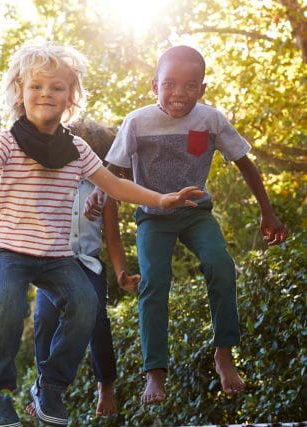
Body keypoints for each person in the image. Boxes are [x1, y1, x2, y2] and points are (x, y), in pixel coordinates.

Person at [0, 42, 203, 427]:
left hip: (57, 255)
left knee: (86, 305)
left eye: (56, 87)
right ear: (20, 94)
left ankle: (51, 386)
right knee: (7, 305)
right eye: (36, 87)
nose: (46, 94)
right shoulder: (8, 141)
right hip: (11, 249)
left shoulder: (77, 149)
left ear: (70, 97)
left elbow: (114, 185)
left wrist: (162, 197)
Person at [86, 45, 287, 405]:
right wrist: (97, 196)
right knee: (154, 283)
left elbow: (245, 163)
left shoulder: (210, 120)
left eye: (190, 85)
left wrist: (267, 212)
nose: (179, 93)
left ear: (203, 89)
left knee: (220, 265)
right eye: (170, 84)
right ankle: (155, 373)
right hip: (154, 218)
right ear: (154, 86)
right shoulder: (137, 122)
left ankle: (224, 353)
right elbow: (111, 173)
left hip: (196, 212)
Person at [29, 120, 140, 418]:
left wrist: (120, 274)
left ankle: (105, 385)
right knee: (44, 319)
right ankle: (44, 388)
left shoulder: (103, 192)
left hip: (89, 266)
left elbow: (113, 238)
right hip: (52, 264)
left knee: (97, 319)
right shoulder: (50, 184)